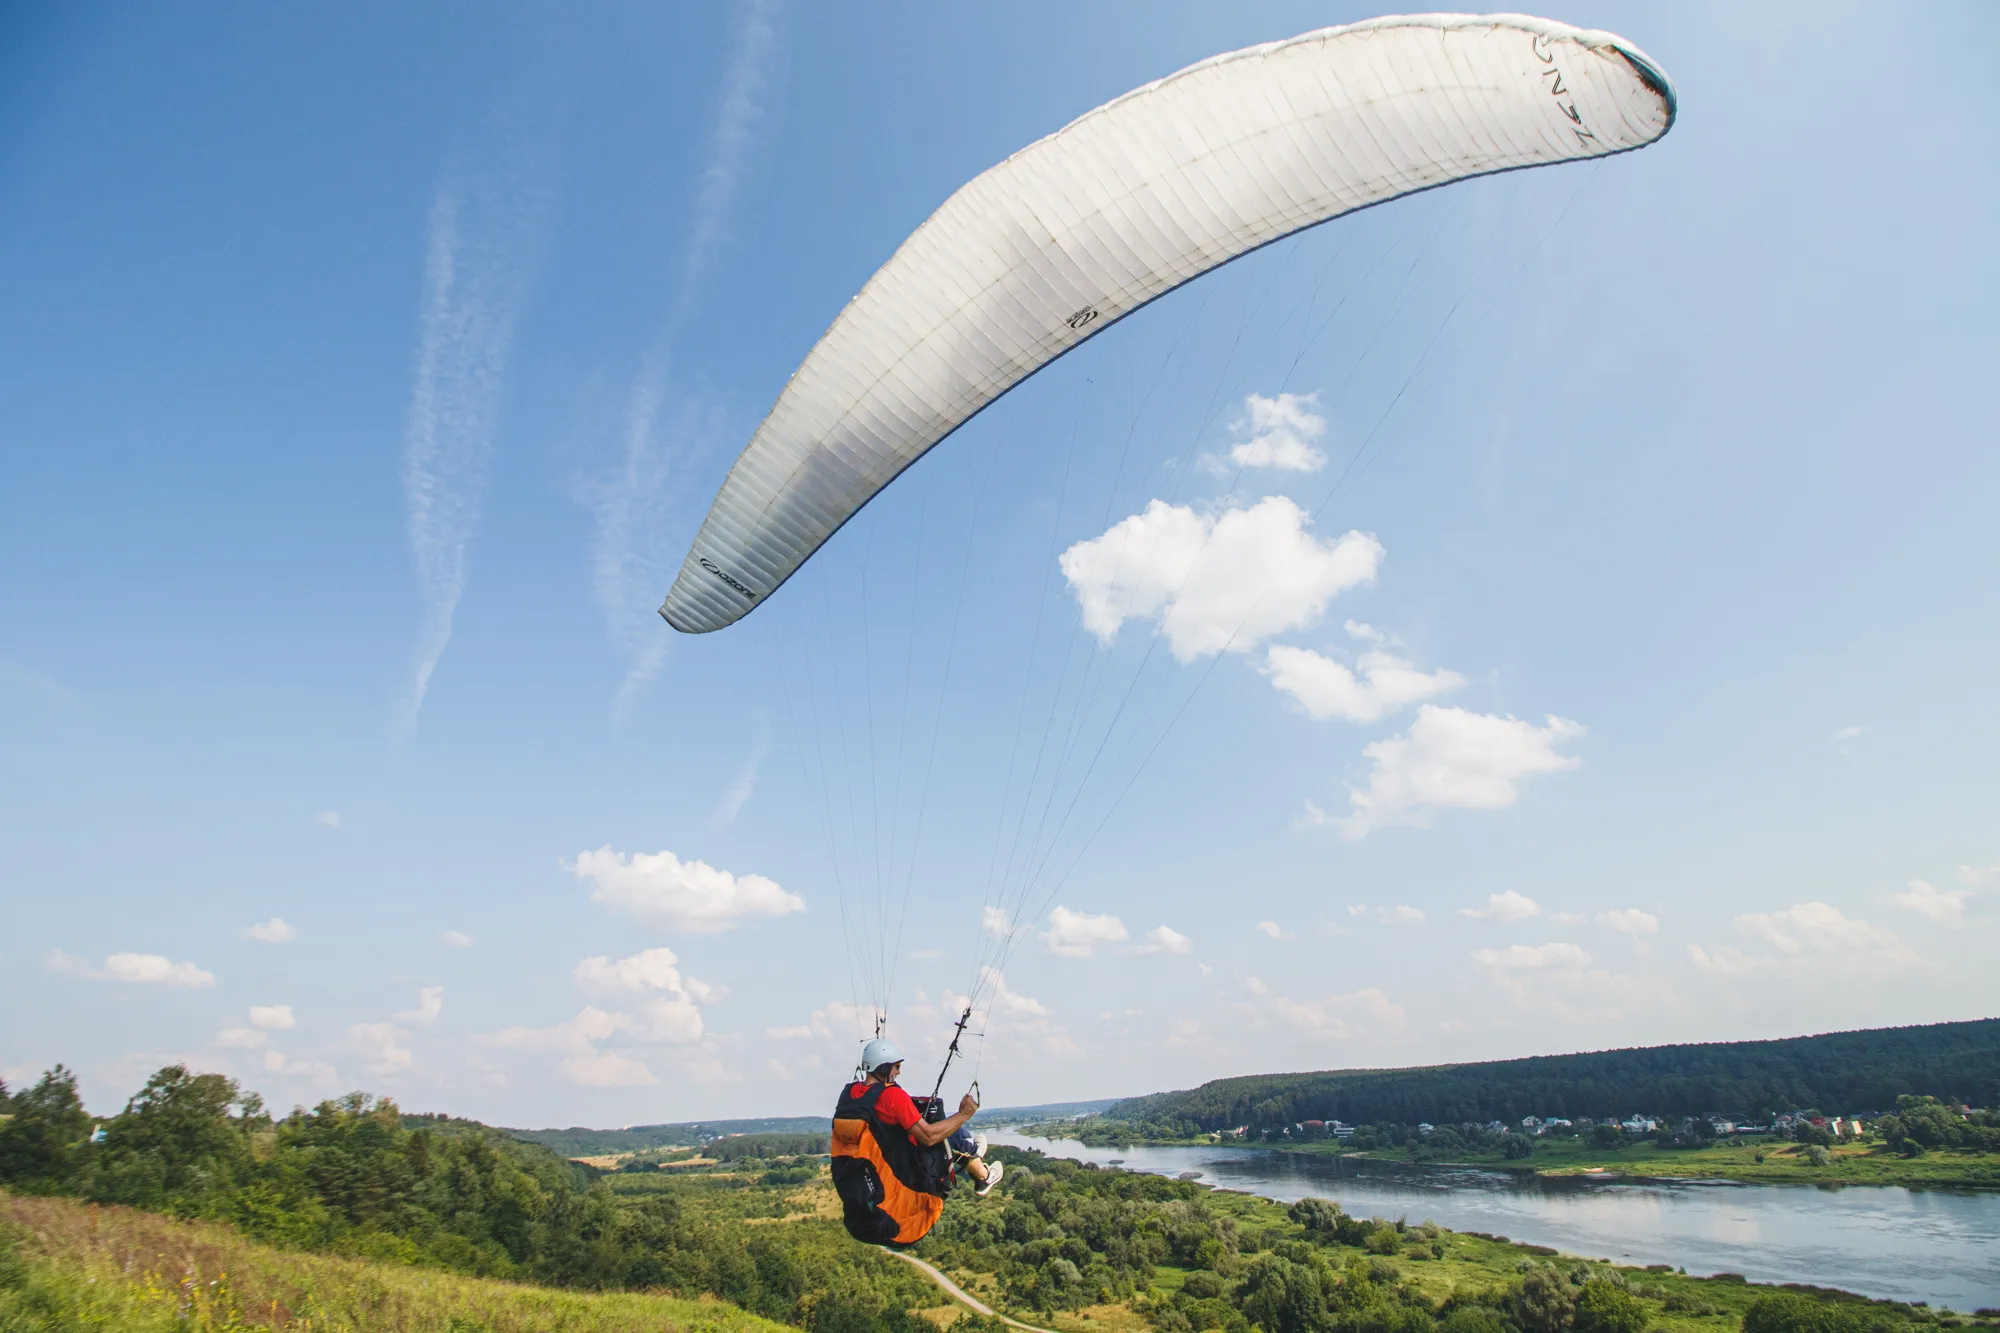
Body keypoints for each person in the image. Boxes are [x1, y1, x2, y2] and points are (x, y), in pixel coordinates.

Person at [828, 1038, 998, 1247]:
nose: (898, 1072)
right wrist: (964, 1115)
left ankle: (972, 1155)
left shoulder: (849, 1095)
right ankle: (982, 1173)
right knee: (948, 1133)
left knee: (945, 1134)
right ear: (884, 1066)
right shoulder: (892, 1096)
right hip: (900, 1212)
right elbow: (929, 1136)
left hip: (862, 1216)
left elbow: (881, 1119)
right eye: (896, 1067)